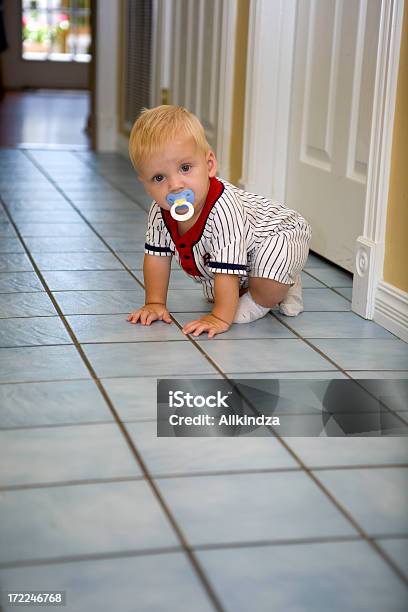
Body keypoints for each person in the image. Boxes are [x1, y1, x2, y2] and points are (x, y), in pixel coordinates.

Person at [127, 105, 311, 339]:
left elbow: (227, 271)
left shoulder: (223, 208)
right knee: (222, 289)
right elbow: (156, 257)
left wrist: (220, 317)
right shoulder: (159, 212)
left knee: (264, 287)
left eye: (185, 168)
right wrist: (154, 302)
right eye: (159, 177)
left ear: (209, 165)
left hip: (280, 232)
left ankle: (280, 283)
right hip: (244, 250)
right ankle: (278, 279)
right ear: (145, 184)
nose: (175, 185)